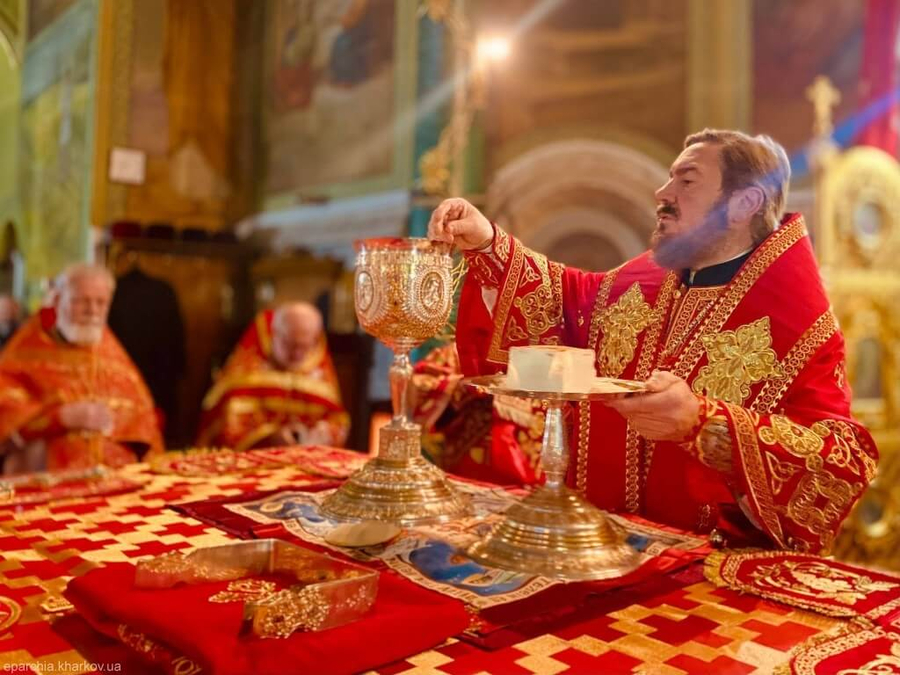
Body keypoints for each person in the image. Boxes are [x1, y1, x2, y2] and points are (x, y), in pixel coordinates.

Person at [428, 129, 878, 554]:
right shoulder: (642, 284)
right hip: (599, 548)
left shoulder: (797, 324)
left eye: (687, 180)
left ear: (744, 204)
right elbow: (565, 300)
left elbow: (840, 467)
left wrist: (704, 424)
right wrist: (487, 242)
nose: (662, 194)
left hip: (709, 580)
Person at [0, 264, 163, 473]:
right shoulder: (29, 346)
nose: (92, 311)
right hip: (49, 477)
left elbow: (144, 423)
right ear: (58, 300)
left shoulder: (112, 351)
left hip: (114, 478)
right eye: (82, 301)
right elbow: (6, 415)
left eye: (101, 303)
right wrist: (61, 417)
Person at [197, 302, 349, 450]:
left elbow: (337, 420)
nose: (297, 354)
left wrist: (322, 433)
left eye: (304, 346)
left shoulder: (319, 375)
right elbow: (226, 428)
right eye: (290, 344)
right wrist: (269, 437)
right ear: (274, 333)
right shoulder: (246, 374)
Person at [411, 340, 545, 486]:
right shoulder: (463, 350)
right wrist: (462, 387)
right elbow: (423, 384)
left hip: (525, 472)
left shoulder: (548, 357)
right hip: (466, 467)